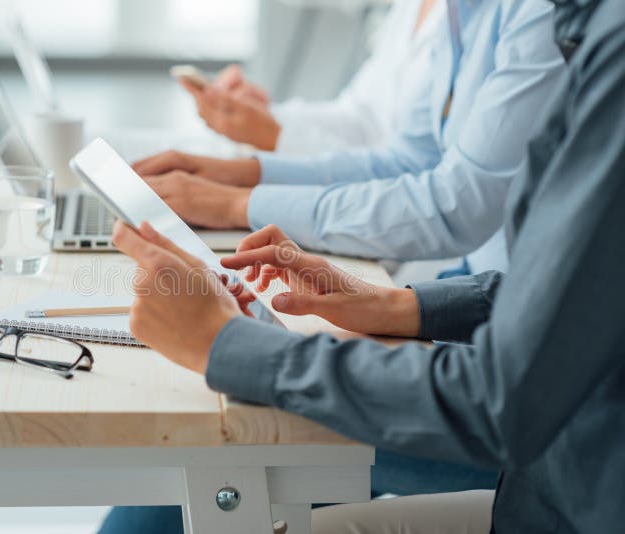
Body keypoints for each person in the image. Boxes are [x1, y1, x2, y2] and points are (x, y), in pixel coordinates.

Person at [111, 0, 625, 530]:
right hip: (554, 471)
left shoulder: (607, 51)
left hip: (568, 487)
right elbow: (582, 290)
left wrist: (230, 345)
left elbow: (504, 397)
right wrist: (401, 304)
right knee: (210, 461)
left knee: (214, 455)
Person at [133, 0, 565, 277]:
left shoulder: (541, 14)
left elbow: (459, 205)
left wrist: (233, 203)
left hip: (502, 304)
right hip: (456, 283)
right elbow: (410, 156)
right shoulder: (457, 11)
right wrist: (239, 173)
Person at [180, 0, 444, 154]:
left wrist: (275, 136)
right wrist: (264, 118)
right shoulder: (410, 7)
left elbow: (411, 168)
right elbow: (360, 118)